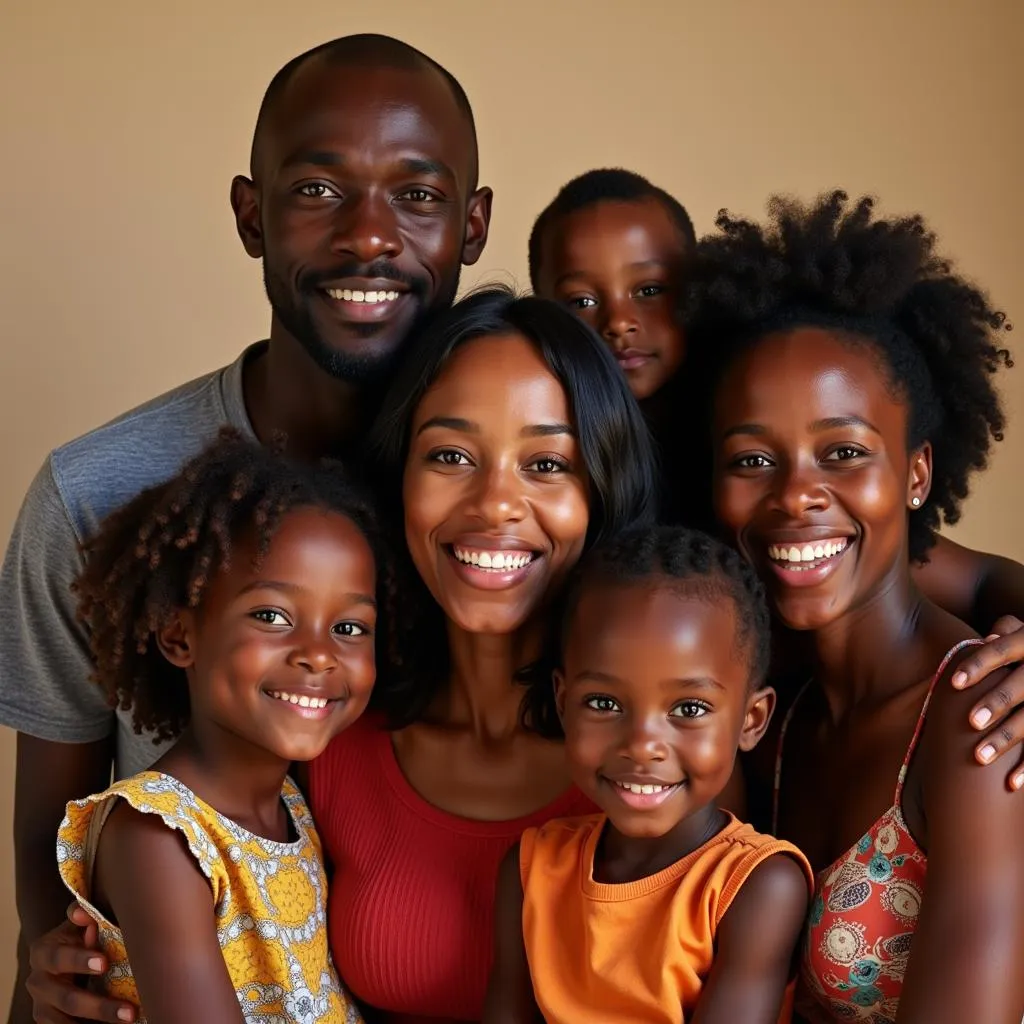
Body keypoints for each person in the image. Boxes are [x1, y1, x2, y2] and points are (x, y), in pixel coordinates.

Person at [1, 31, 492, 1020]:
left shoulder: (501, 516)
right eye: (317, 190)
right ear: (249, 213)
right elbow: (55, 915)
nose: (368, 236)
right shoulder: (96, 497)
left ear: (471, 227)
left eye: (418, 194)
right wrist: (46, 980)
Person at [530, 167, 1024, 768]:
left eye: (652, 289)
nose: (618, 321)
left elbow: (975, 579)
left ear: (698, 295)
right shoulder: (551, 482)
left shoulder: (744, 473)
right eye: (580, 300)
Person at [693, 190, 1024, 1020]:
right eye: (752, 459)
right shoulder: (777, 706)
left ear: (916, 475)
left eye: (843, 452)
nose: (798, 495)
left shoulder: (982, 720)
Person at [58, 430, 396, 1023]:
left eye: (350, 627)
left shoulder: (292, 803)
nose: (319, 655)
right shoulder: (157, 837)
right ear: (179, 635)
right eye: (272, 616)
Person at [483, 525, 813, 1024]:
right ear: (562, 701)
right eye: (604, 702)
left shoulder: (756, 887)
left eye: (688, 707)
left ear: (751, 720)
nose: (641, 745)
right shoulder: (532, 872)